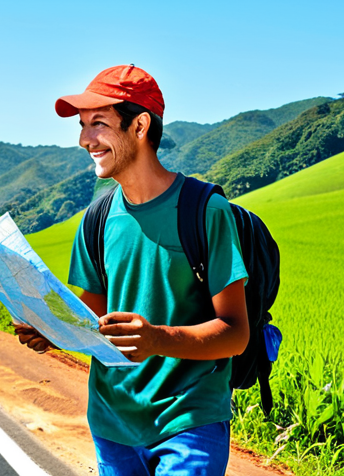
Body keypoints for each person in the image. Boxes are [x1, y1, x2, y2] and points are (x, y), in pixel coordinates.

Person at [14, 64, 250, 476]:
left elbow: (236, 333)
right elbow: (89, 317)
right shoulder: (98, 218)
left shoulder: (205, 211)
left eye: (99, 124)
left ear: (140, 126)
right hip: (112, 420)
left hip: (188, 420)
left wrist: (156, 338)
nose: (85, 139)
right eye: (83, 125)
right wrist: (50, 329)